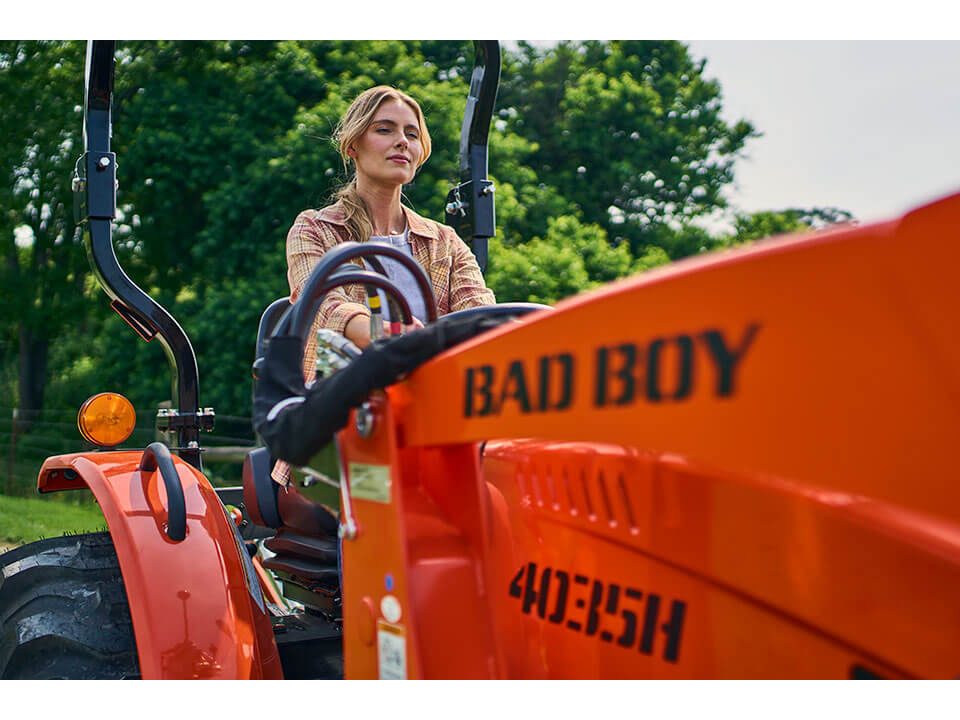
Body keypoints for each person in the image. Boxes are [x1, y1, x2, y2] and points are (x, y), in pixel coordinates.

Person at [285, 85, 495, 383]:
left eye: (411, 134)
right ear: (352, 146)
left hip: (434, 402)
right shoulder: (315, 230)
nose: (401, 142)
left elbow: (480, 317)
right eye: (385, 130)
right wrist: (392, 337)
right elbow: (324, 307)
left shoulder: (445, 242)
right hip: (345, 404)